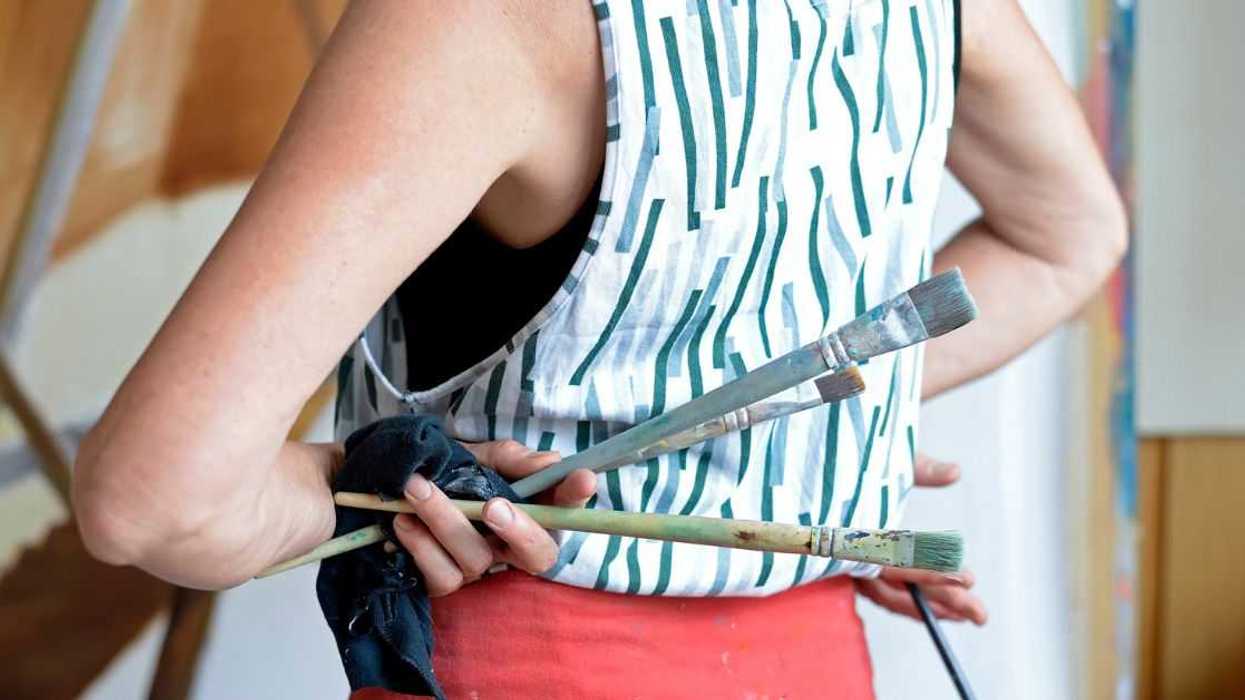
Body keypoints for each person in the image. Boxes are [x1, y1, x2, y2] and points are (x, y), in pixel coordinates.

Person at [73, 0, 1125, 697]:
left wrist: (393, 486)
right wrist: (817, 432)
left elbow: (158, 497)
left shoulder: (483, 19)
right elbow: (1070, 236)